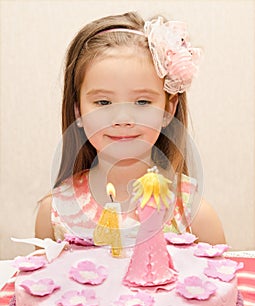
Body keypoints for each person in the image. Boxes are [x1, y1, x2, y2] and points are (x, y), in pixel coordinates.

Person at [35, 12, 226, 246]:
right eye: (103, 102)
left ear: (169, 109)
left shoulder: (194, 214)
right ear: (78, 111)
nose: (123, 119)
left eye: (143, 102)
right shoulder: (54, 213)